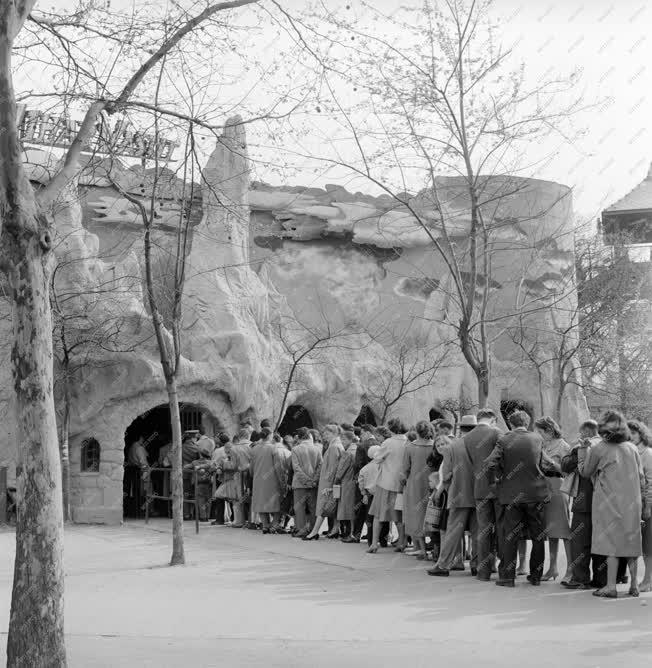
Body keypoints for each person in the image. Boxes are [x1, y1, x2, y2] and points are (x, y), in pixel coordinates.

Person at [577, 410, 645, 598]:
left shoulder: (600, 448)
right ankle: (633, 585)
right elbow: (641, 478)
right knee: (631, 542)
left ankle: (611, 586)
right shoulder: (631, 448)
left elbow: (585, 471)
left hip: (608, 502)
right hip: (632, 502)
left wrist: (583, 450)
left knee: (611, 543)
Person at [485, 410, 549, 587]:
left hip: (511, 495)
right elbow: (545, 464)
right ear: (527, 423)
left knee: (510, 536)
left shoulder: (504, 440)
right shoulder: (537, 439)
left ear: (510, 424)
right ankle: (536, 577)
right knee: (538, 537)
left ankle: (507, 577)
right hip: (536, 494)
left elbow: (490, 463)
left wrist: (494, 482)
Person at [428, 419, 478, 576]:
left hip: (458, 495)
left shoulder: (452, 447)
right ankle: (477, 564)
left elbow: (447, 475)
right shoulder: (480, 445)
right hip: (479, 495)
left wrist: (445, 490)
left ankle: (443, 565)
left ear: (460, 428)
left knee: (452, 531)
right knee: (478, 532)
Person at [560, 420, 603, 589]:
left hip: (583, 501)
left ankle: (580, 578)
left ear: (585, 433)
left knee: (580, 542)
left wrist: (576, 448)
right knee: (601, 542)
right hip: (604, 502)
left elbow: (566, 465)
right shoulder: (607, 446)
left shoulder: (581, 448)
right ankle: (602, 579)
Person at [463, 409, 502, 581]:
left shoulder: (468, 437)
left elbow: (472, 462)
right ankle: (503, 569)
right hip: (498, 487)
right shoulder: (496, 432)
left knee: (483, 530)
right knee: (501, 528)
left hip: (479, 487)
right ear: (493, 419)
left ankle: (483, 571)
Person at [534, 416, 572, 582]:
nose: (539, 435)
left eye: (540, 431)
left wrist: (550, 462)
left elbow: (567, 471)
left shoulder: (563, 446)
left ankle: (571, 569)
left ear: (549, 430)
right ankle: (553, 568)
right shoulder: (542, 444)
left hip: (558, 486)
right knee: (551, 532)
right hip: (544, 487)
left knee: (563, 530)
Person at [367, 418, 409, 554]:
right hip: (401, 484)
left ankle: (374, 543)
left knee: (378, 515)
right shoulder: (408, 442)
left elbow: (377, 457)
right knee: (399, 516)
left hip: (385, 482)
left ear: (392, 428)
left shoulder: (388, 442)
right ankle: (401, 543)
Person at [304, 424, 345, 540]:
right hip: (332, 482)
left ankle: (314, 532)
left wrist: (329, 485)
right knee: (332, 506)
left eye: (327, 433)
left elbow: (332, 467)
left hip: (328, 482)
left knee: (322, 508)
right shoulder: (337, 445)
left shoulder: (333, 447)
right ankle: (335, 529)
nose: (324, 436)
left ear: (334, 433)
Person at [400, 420, 434, 560]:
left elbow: (404, 470)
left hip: (414, 485)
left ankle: (421, 549)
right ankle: (431, 547)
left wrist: (402, 483)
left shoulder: (410, 447)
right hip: (432, 483)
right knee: (431, 514)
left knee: (416, 515)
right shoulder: (436, 446)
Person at [628, 420, 652, 592]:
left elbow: (650, 483)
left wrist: (648, 506)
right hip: (636, 504)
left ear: (641, 434)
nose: (631, 437)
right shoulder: (633, 452)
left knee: (648, 545)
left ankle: (648, 579)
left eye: (634, 433)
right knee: (642, 545)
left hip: (647, 504)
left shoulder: (648, 454)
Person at [250, 427, 287, 533]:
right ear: (270, 435)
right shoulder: (273, 448)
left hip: (258, 479)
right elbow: (278, 466)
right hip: (272, 479)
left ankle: (265, 525)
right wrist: (282, 480)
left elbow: (251, 468)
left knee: (260, 502)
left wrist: (254, 476)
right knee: (276, 503)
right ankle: (274, 524)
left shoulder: (255, 449)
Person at [291, 427, 322, 538]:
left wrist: (305, 480)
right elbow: (320, 466)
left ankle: (302, 529)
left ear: (299, 437)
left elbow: (296, 468)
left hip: (300, 483)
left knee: (299, 507)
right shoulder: (317, 449)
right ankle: (313, 530)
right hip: (313, 484)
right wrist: (314, 480)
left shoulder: (295, 449)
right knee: (313, 507)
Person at [358, 445, 389, 547]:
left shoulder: (365, 468)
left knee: (370, 518)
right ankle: (383, 539)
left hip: (370, 495)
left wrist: (363, 494)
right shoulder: (384, 466)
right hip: (382, 493)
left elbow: (361, 482)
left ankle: (371, 540)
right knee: (384, 518)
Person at [334, 430, 358, 540]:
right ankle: (352, 533)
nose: (342, 442)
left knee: (347, 510)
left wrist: (335, 480)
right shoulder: (357, 449)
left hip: (347, 483)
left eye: (343, 440)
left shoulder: (348, 452)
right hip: (356, 482)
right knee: (353, 509)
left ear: (349, 439)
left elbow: (340, 471)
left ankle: (350, 534)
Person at [230, 428, 253, 528]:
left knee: (238, 498)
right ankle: (252, 520)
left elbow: (233, 465)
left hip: (239, 474)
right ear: (248, 436)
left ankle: (239, 521)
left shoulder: (234, 448)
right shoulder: (253, 445)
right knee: (252, 496)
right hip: (252, 474)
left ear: (239, 436)